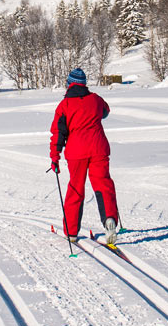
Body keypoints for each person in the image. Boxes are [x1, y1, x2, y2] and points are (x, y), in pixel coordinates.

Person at [49, 68, 120, 247]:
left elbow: (58, 133)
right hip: (99, 148)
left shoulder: (64, 106)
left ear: (69, 84)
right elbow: (106, 111)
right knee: (103, 184)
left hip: (76, 152)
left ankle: (71, 232)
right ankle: (110, 220)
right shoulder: (95, 99)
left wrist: (54, 157)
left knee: (76, 188)